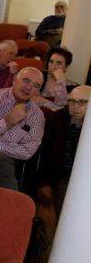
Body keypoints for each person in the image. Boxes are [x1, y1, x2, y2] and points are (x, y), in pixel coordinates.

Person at [0, 67, 45, 191]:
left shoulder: (37, 115)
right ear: (14, 79)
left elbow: (28, 152)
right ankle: (11, 206)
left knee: (0, 162)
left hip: (9, 160)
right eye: (26, 80)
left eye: (36, 86)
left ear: (37, 91)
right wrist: (8, 121)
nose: (29, 88)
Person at [38, 85, 91, 222]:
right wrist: (46, 183)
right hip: (63, 176)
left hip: (86, 179)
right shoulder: (57, 120)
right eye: (72, 101)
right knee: (65, 191)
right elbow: (45, 155)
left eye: (83, 102)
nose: (75, 106)